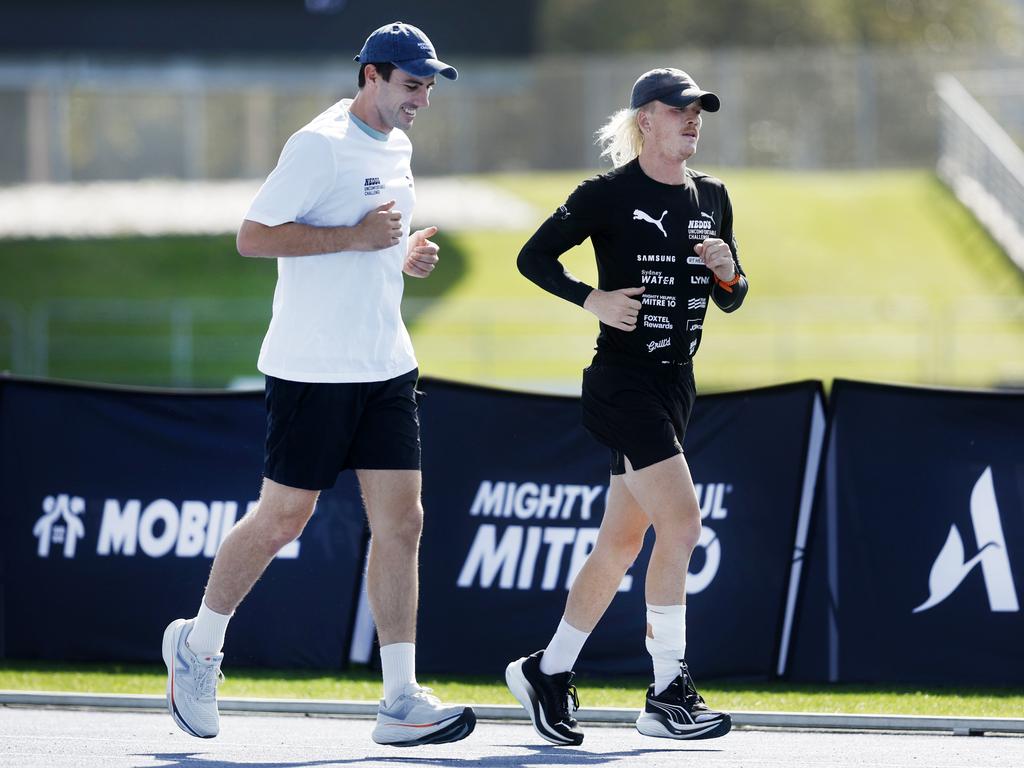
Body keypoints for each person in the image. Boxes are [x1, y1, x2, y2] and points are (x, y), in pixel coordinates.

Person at [161, 21, 476, 747]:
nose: (421, 99)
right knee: (282, 522)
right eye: (410, 85)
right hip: (312, 369)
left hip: (387, 364)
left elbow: (375, 239)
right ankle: (198, 646)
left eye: (427, 86)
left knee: (405, 522)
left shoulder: (397, 145)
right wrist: (356, 238)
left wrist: (402, 255)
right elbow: (254, 235)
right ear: (371, 75)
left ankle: (399, 699)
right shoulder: (318, 144)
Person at [506, 68, 747, 746]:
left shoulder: (715, 197)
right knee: (684, 524)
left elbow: (732, 294)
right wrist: (592, 298)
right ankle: (668, 690)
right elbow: (533, 258)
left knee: (620, 543)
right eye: (680, 111)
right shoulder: (607, 195)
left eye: (700, 111)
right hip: (622, 382)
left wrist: (728, 270)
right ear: (646, 119)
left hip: (677, 384)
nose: (694, 120)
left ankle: (547, 672)